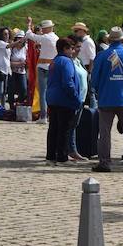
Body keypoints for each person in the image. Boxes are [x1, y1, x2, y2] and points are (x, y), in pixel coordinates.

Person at [91, 27, 123, 173]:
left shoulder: (101, 56)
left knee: (105, 132)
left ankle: (105, 162)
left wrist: (99, 90)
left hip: (106, 99)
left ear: (108, 40)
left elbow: (94, 79)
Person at [42, 36, 81, 164]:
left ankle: (51, 155)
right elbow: (68, 82)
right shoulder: (66, 61)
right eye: (71, 48)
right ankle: (62, 157)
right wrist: (76, 97)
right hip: (64, 99)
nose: (73, 51)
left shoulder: (55, 60)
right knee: (64, 129)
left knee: (53, 128)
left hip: (53, 98)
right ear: (65, 49)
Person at [25, 18, 59, 122]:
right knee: (52, 92)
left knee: (42, 93)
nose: (42, 30)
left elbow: (29, 35)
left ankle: (43, 116)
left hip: (43, 67)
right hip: (53, 66)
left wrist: (29, 25)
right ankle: (50, 115)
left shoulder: (45, 37)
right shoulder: (56, 37)